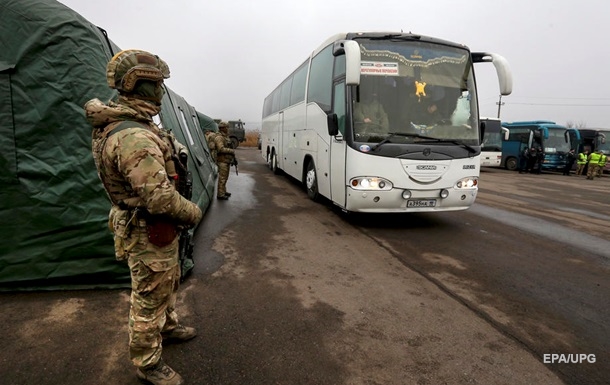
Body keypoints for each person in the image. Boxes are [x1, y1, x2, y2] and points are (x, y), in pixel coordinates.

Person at [86, 49, 202, 385]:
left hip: (155, 227)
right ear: (140, 86)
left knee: (168, 281)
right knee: (148, 298)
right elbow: (160, 197)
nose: (162, 92)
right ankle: (147, 363)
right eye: (157, 85)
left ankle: (167, 327)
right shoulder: (133, 135)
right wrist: (192, 213)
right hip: (147, 227)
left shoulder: (137, 124)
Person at [214, 121, 237, 200]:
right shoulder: (219, 137)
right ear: (223, 128)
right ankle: (220, 194)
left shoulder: (225, 137)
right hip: (222, 161)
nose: (228, 129)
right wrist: (231, 151)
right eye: (226, 127)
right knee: (222, 178)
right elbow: (220, 149)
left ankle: (223, 191)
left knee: (225, 177)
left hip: (226, 160)